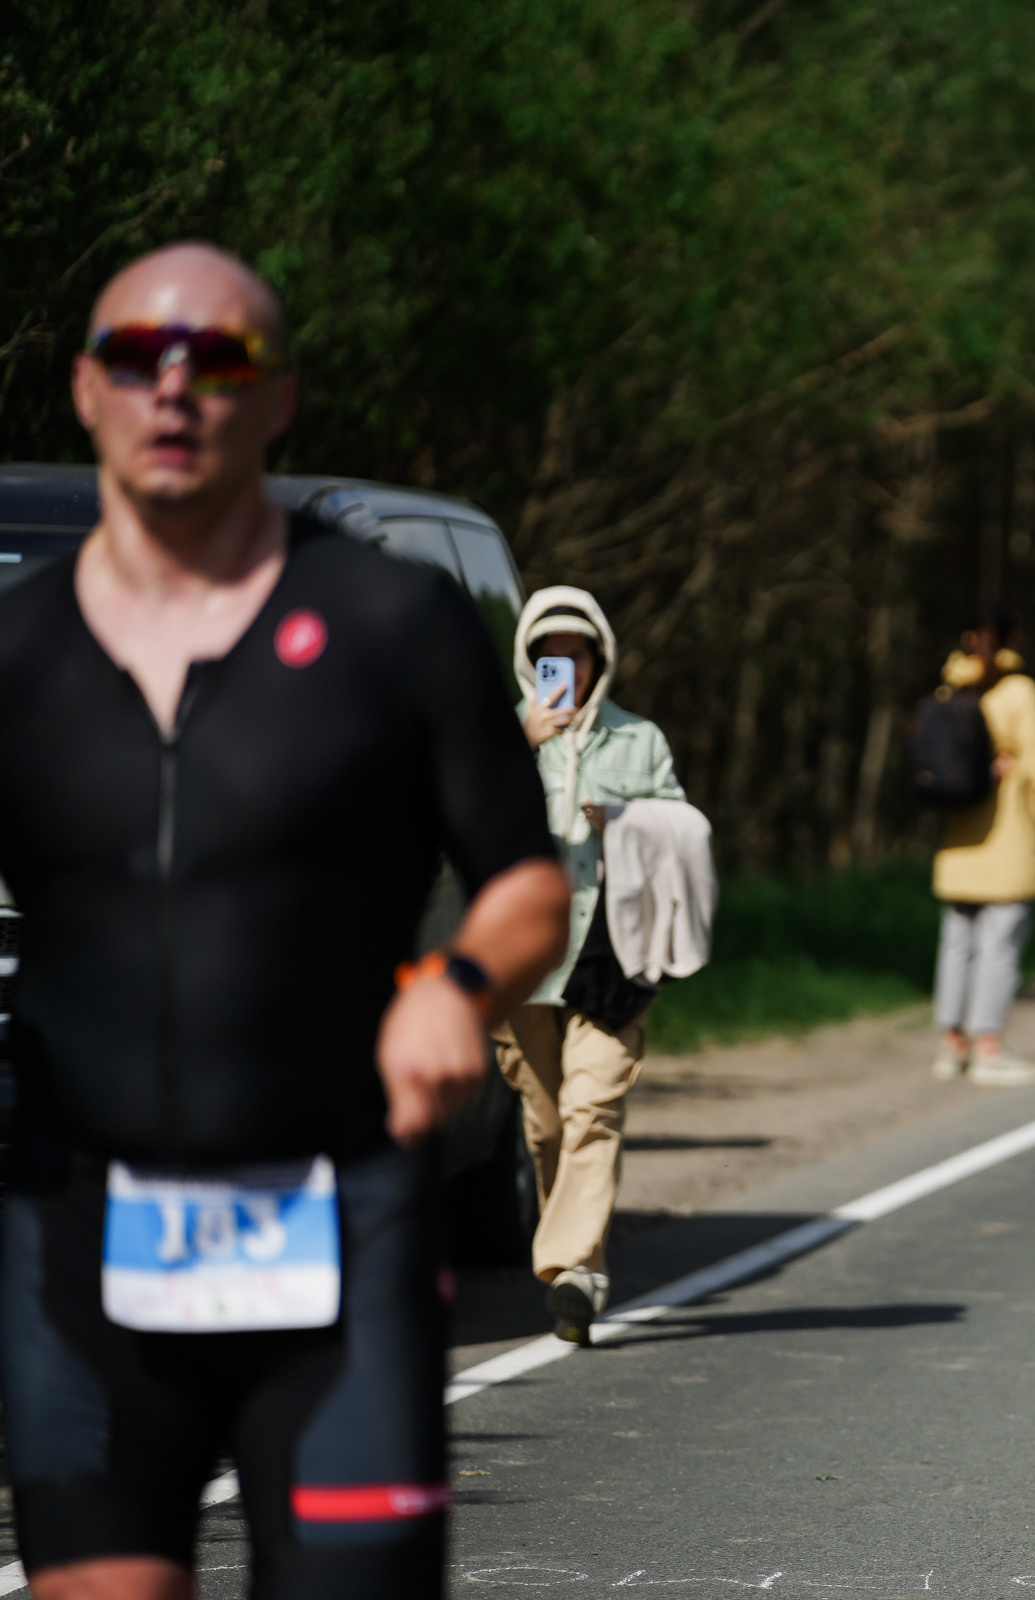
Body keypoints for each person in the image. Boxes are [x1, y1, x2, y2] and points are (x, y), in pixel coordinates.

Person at [0, 244, 567, 1599]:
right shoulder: (20, 653)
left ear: (283, 397)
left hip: (337, 1225)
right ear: (86, 390)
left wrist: (457, 982)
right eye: (141, 357)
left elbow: (527, 879)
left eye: (222, 360)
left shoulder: (390, 619)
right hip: (78, 1228)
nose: (178, 387)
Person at [496, 586, 687, 1346]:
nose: (560, 668)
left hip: (612, 959)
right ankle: (581, 1259)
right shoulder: (499, 736)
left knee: (593, 1105)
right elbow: (452, 824)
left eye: (573, 654)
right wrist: (522, 748)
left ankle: (574, 1269)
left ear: (598, 659)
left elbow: (682, 830)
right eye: (547, 655)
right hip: (524, 963)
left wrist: (628, 821)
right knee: (545, 1126)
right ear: (528, 661)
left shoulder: (639, 740)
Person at [931, 601, 1035, 1087]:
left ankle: (950, 1047)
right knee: (999, 946)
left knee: (956, 944)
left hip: (957, 843)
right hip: (1009, 839)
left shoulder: (950, 689)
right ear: (1014, 639)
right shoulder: (1018, 692)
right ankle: (989, 1048)